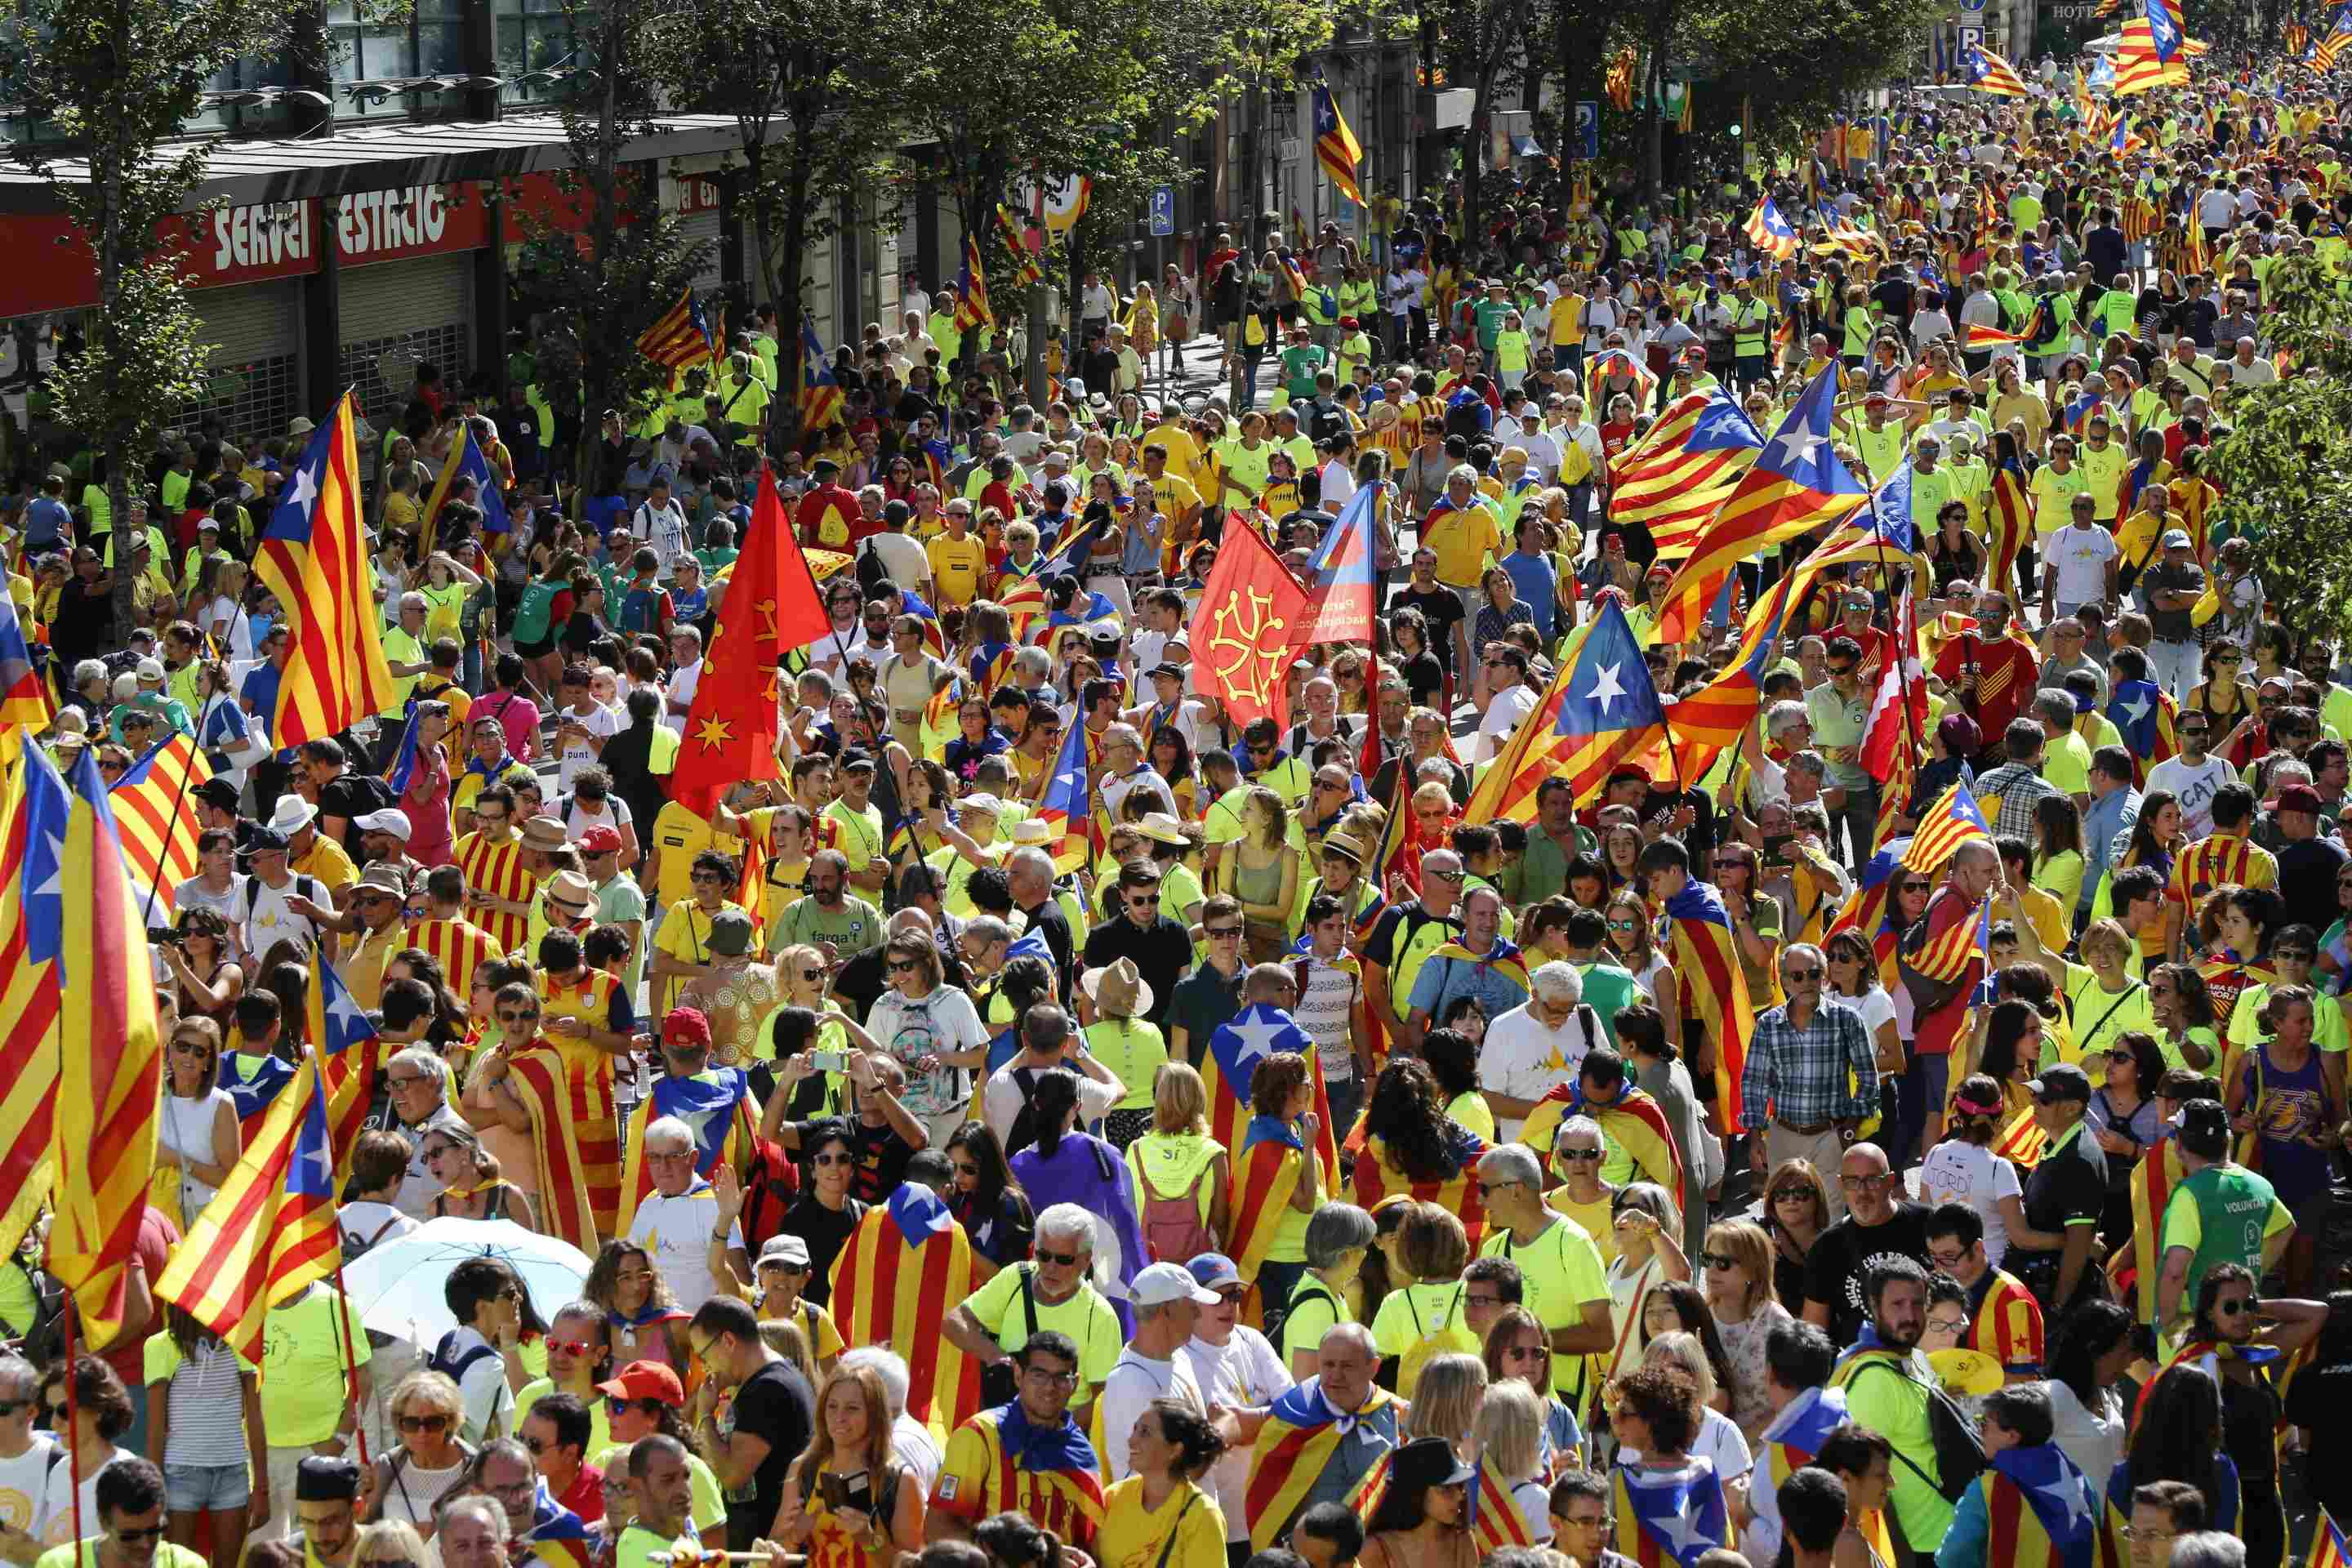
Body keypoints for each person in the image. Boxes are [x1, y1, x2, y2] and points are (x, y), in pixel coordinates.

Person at [924, 1330, 1102, 1553]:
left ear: (1075, 1384)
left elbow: (1088, 1542)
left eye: (1061, 1377)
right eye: (1039, 1375)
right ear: (1019, 1375)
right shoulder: (980, 1435)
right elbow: (937, 1527)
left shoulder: (1081, 1451)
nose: (1050, 1387)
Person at [1229, 1324, 1400, 1550]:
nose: (1335, 1375)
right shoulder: (1292, 1414)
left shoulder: (1397, 1416)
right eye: (1328, 1364)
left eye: (1347, 1366)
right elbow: (1265, 1499)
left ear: (1374, 1367)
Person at [1825, 1259, 1955, 1556]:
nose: (1909, 1315)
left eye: (1917, 1303)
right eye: (1897, 1304)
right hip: (1913, 1548)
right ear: (1874, 1306)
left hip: (1945, 1539)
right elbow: (1855, 1482)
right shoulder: (1873, 1380)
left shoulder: (1914, 1360)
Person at [941, 1204, 1125, 1403]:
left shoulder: (1100, 1316)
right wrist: (997, 1356)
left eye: (1064, 1259)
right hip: (1003, 1424)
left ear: (1086, 1260)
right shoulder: (1016, 1278)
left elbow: (1104, 1401)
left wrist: (1052, 1427)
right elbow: (954, 1322)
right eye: (1043, 1256)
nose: (1051, 1267)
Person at [1744, 944, 1880, 1213]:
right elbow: (1754, 1083)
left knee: (1829, 1215)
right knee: (1785, 1216)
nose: (1806, 982)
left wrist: (1848, 1131)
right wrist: (1755, 1137)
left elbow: (1868, 1079)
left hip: (1830, 1135)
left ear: (1824, 976)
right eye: (1797, 976)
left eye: (1814, 974)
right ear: (1784, 980)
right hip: (1782, 1136)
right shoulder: (1768, 1024)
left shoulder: (1847, 1019)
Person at [1470, 1145, 1611, 1401]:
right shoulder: (1493, 1247)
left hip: (1559, 1406)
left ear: (1516, 1190)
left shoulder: (1573, 1243)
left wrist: (1526, 1344)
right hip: (1501, 1401)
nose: (1480, 1200)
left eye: (1485, 1190)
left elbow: (1602, 1335)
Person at [683, 1296, 813, 1550]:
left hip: (769, 1551)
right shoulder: (774, 1379)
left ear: (728, 1341)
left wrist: (705, 1414)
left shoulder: (768, 1389)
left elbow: (733, 1475)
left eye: (704, 1356)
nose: (706, 1367)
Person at [770, 1361, 924, 1568]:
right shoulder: (803, 1469)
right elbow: (772, 1556)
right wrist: (793, 1538)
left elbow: (912, 1565)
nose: (839, 1418)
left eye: (852, 1408)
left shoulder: (899, 1481)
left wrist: (868, 1538)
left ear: (874, 1415)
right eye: (832, 1406)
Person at [1932, 1384, 2103, 1568]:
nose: (1980, 1432)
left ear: (2012, 1436)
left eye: (1985, 1424)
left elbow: (1952, 1558)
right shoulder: (2078, 1477)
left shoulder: (1988, 1489)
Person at [1802, 1144, 1933, 1348]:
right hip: (1863, 1367)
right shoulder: (1827, 1248)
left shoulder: (1927, 1225)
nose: (1862, 1192)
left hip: (1925, 1359)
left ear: (1890, 1181)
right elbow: (1814, 1331)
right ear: (1840, 1185)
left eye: (1872, 1181)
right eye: (1852, 1182)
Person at [1096, 1398, 1228, 1568]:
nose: (1131, 1440)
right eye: (1135, 1429)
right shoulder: (1112, 1497)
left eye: (1145, 1432)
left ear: (1175, 1450)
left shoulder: (1203, 1515)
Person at [1922, 1202, 2045, 1383]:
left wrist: (1966, 1384)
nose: (1939, 1268)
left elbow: (2024, 1381)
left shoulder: (2013, 1301)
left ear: (1978, 1249)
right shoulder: (1932, 1287)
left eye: (1949, 1257)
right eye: (1933, 1257)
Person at [30, 1455, 204, 1568]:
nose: (145, 1544)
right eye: (130, 1535)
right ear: (103, 1522)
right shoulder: (58, 1564)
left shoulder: (186, 1564)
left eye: (154, 1531)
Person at [364, 1371, 473, 1538]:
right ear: (399, 1423)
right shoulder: (385, 1467)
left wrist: (441, 1536)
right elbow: (366, 1528)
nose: (422, 1433)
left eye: (434, 1423)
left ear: (450, 1422)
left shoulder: (474, 1469)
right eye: (412, 1423)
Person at [1356, 1437, 1477, 1568]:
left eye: (1460, 1486)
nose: (1460, 1496)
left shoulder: (1463, 1541)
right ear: (1417, 1493)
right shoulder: (1374, 1550)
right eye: (1446, 1489)